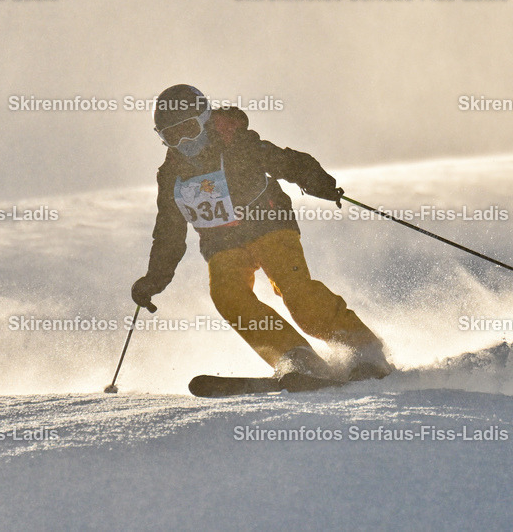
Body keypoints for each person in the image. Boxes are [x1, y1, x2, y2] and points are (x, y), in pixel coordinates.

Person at [131, 84, 392, 382]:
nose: (184, 142)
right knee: (228, 297)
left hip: (268, 225)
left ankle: (363, 350)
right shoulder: (171, 176)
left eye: (189, 129)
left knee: (298, 295)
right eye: (172, 136)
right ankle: (295, 356)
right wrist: (153, 280)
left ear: (204, 119)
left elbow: (284, 160)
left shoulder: (236, 145)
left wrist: (318, 181)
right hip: (221, 244)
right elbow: (168, 232)